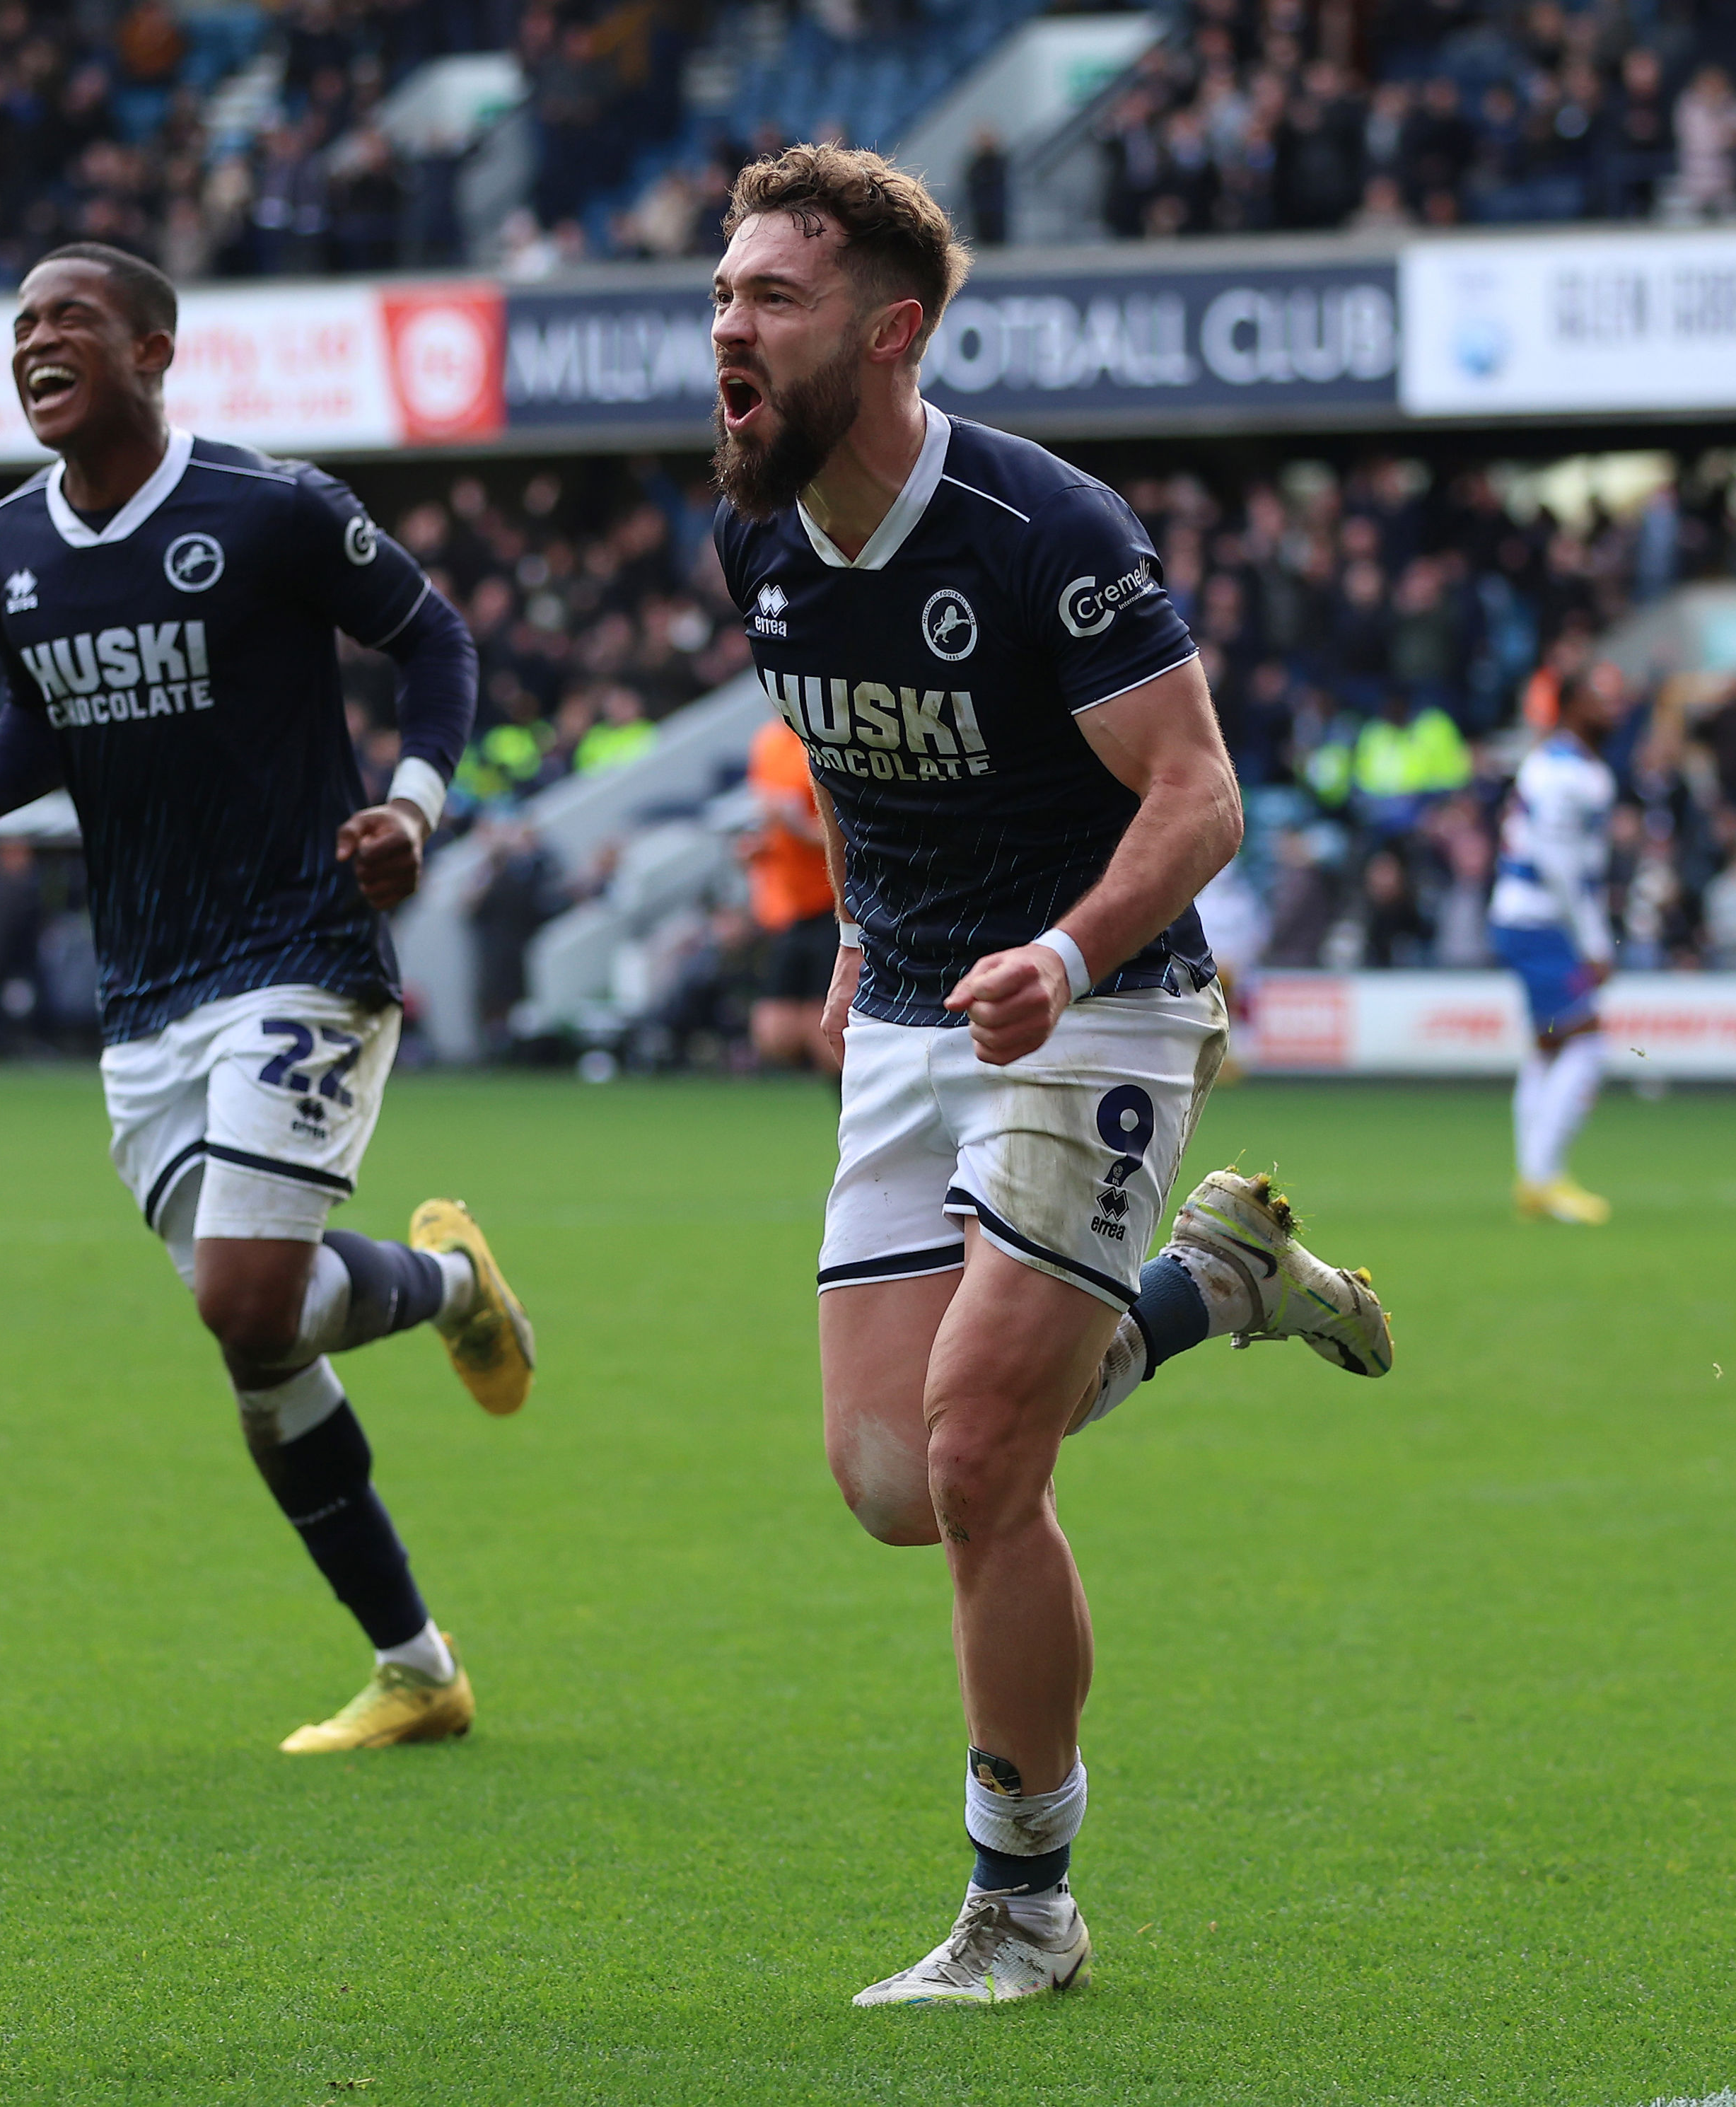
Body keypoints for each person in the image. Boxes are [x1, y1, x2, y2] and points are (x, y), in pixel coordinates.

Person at [706, 146, 1393, 2009]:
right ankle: (1215, 1285)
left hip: (1102, 1001)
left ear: (890, 329)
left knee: (985, 1459)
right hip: (924, 1006)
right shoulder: (758, 530)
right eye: (725, 294)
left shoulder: (1040, 531)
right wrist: (863, 939)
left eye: (771, 299)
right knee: (887, 1478)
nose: (730, 329)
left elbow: (1201, 794)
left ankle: (1025, 1902)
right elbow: (858, 761)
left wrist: (1071, 954)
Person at [0, 242, 529, 1755]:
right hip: (146, 992)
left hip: (301, 948)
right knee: (261, 1340)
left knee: (242, 1298)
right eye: (21, 321)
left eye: (71, 319)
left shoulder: (273, 508)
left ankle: (441, 1293)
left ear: (155, 352)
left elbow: (436, 640)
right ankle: (418, 1659)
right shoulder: (4, 546)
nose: (37, 339)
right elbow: (43, 715)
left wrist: (414, 809)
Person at [1491, 663, 1626, 1225]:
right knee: (1586, 1037)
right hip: (1542, 921)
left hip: (1523, 916)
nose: (1612, 707)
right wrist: (1594, 941)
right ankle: (1543, 1178)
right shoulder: (1571, 775)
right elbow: (1558, 864)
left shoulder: (1555, 765)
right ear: (1571, 706)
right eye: (1600, 697)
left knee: (1547, 1044)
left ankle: (1534, 1180)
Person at [742, 714, 841, 1072]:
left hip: (834, 903)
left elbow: (852, 834)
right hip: (790, 906)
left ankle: (854, 1108)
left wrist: (800, 828)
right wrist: (756, 848)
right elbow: (764, 819)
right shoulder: (768, 742)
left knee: (826, 1033)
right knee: (773, 1032)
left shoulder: (830, 738)